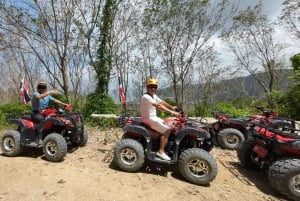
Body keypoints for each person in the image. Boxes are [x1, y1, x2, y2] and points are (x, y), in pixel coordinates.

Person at [140, 78, 180, 161]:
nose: (153, 88)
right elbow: (158, 106)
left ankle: (162, 144)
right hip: (148, 119)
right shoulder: (146, 97)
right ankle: (161, 151)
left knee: (170, 124)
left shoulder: (153, 96)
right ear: (147, 87)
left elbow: (162, 102)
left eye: (155, 87)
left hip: (153, 118)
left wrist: (172, 107)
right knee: (167, 130)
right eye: (151, 86)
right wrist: (172, 112)